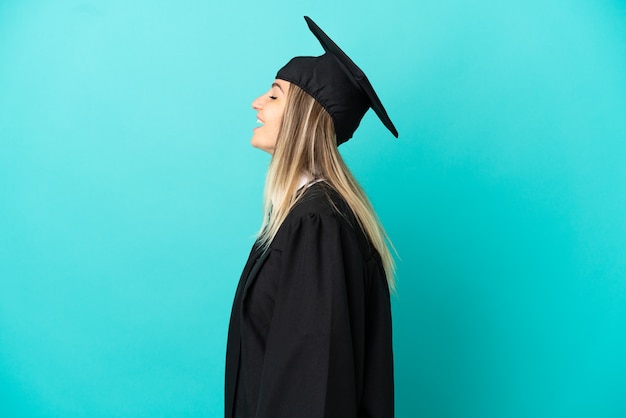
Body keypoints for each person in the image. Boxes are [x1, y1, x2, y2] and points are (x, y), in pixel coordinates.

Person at [225, 16, 398, 418]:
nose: (257, 102)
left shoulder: (317, 227)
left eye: (273, 95)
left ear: (303, 116)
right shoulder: (303, 217)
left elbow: (311, 389)